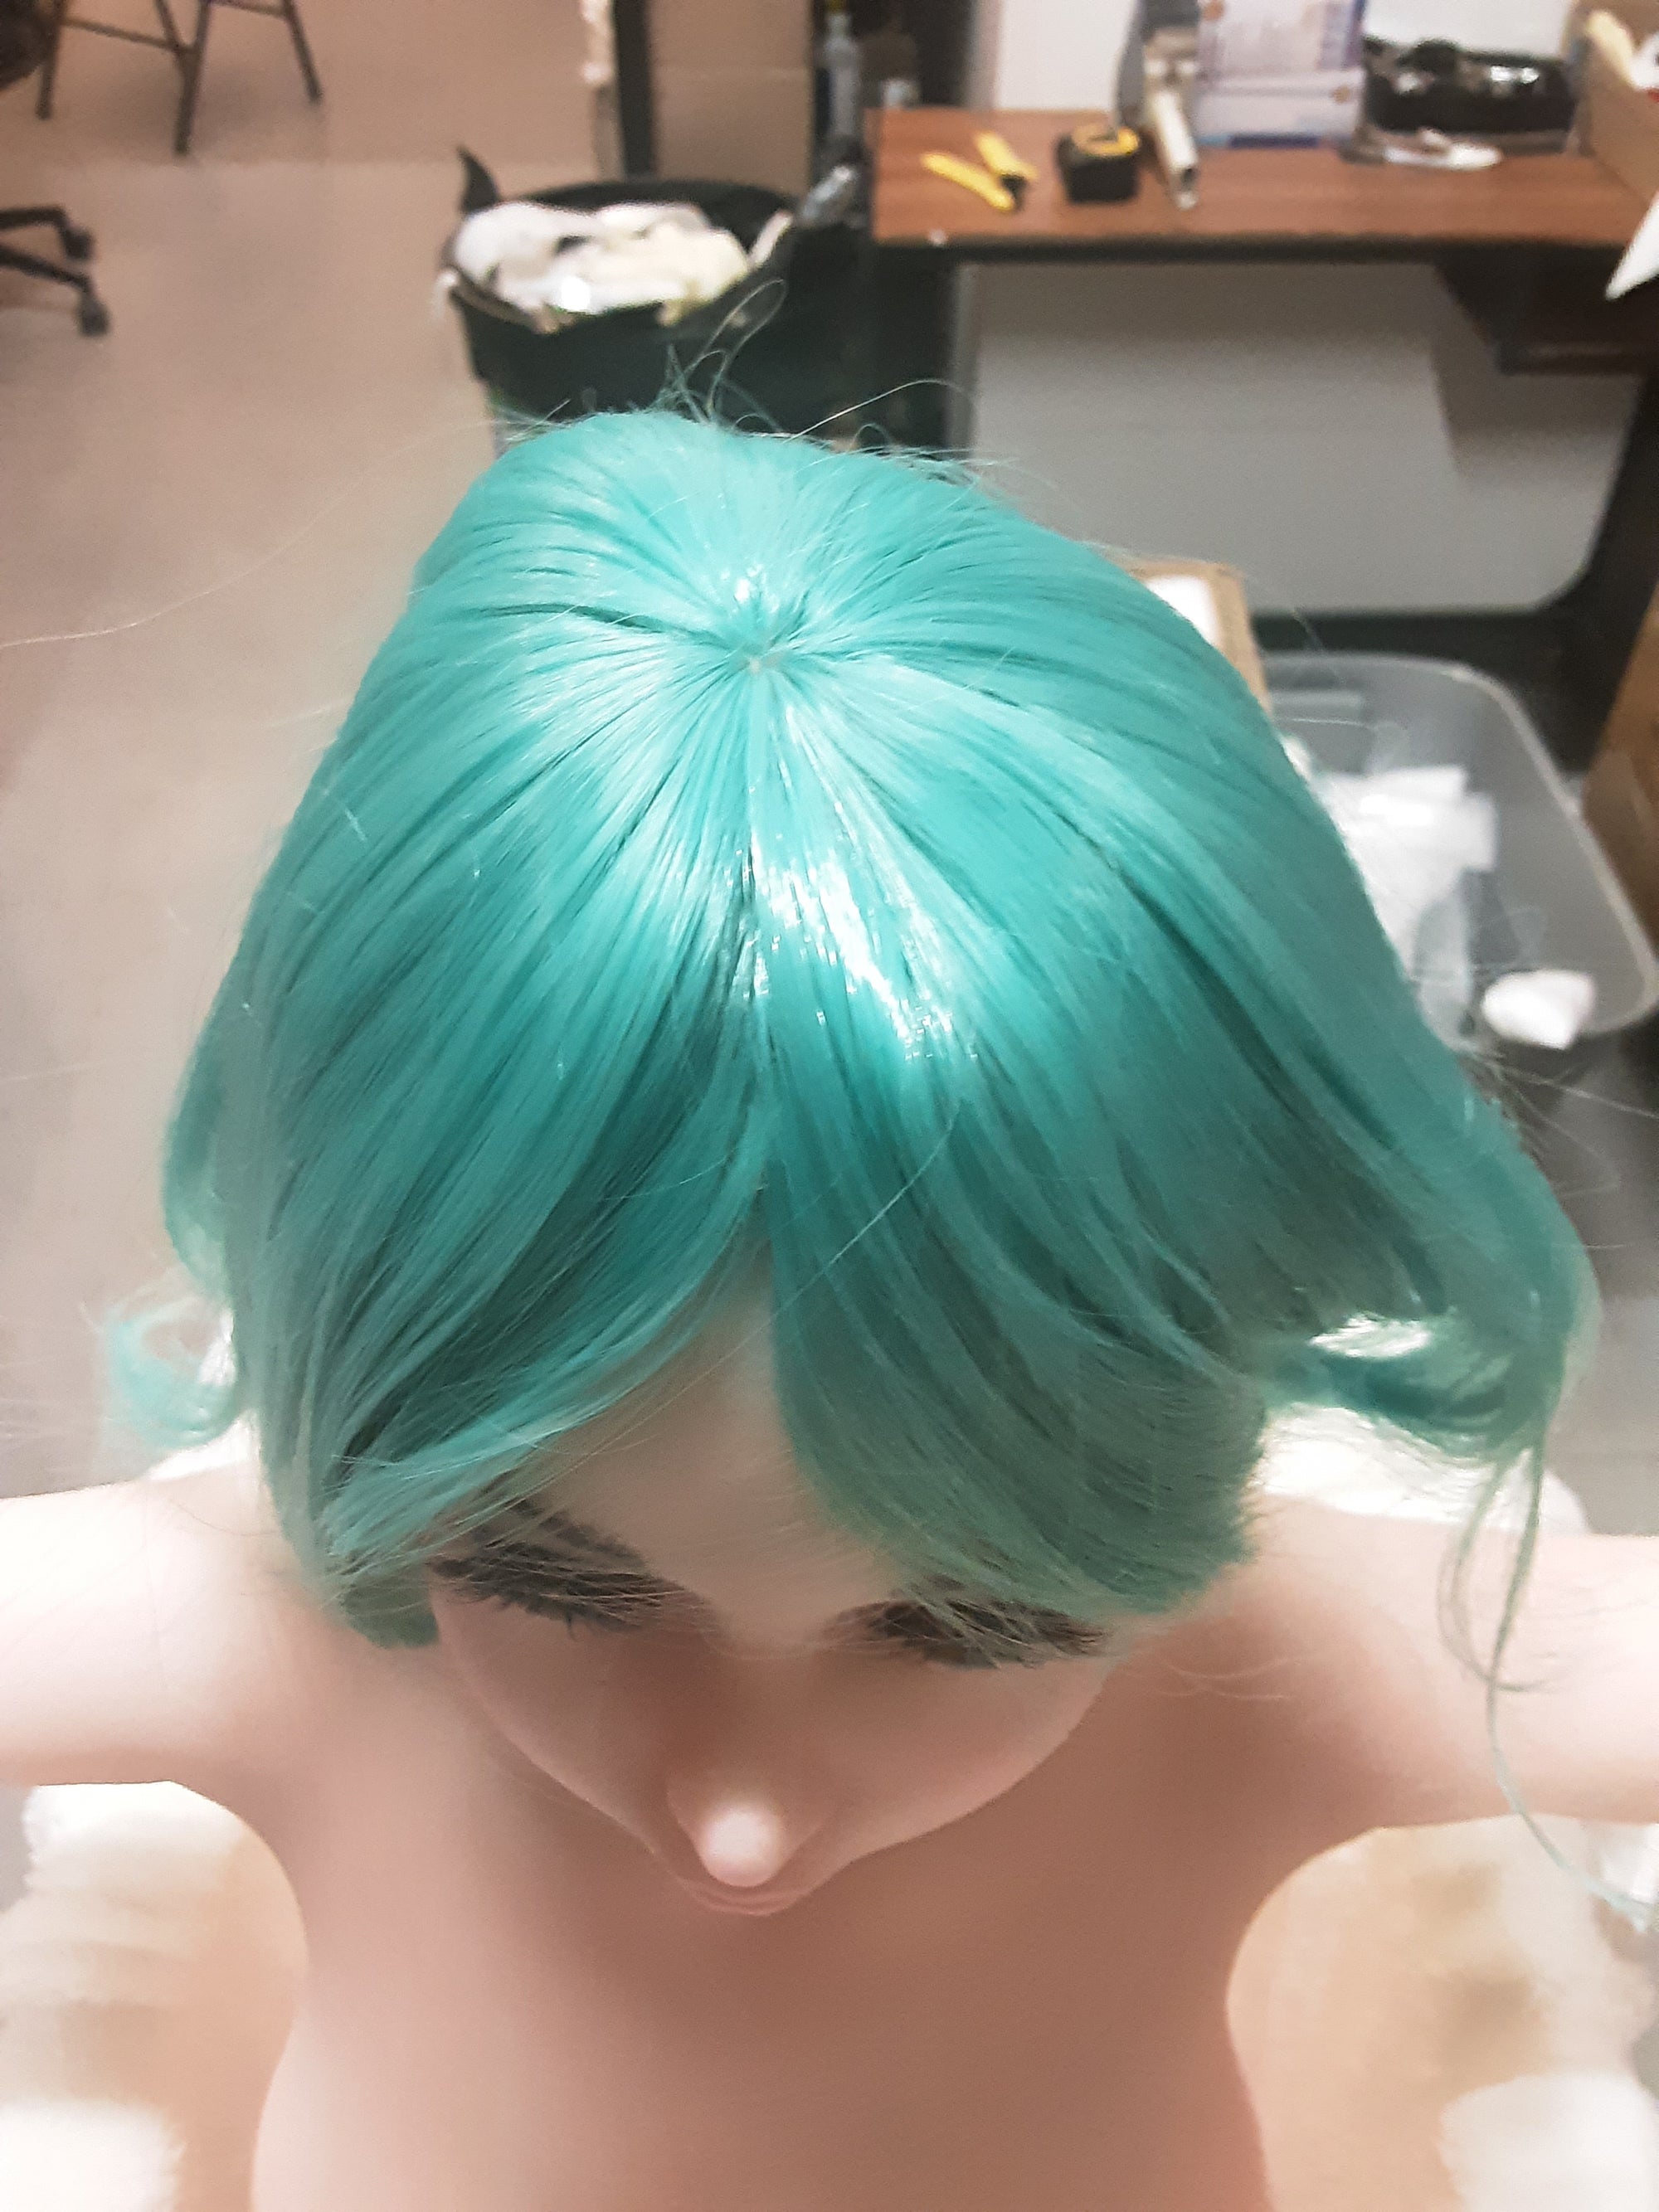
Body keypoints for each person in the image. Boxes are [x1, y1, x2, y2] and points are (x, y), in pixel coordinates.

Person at [2, 411, 1657, 2212]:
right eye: (562, 1584)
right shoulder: (288, 1644)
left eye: (971, 1623)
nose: (743, 1821)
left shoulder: (1260, 1683)